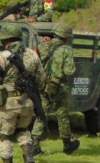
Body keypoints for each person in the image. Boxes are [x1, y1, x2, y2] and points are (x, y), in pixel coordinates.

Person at [0, 23, 46, 163]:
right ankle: (28, 157)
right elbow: (41, 80)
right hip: (27, 102)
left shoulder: (1, 57)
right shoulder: (33, 55)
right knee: (23, 130)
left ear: (4, 40)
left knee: (4, 135)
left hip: (8, 104)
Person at [31, 23, 80, 155]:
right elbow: (69, 71)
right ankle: (67, 144)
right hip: (59, 86)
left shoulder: (41, 46)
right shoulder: (66, 50)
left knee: (42, 113)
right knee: (62, 114)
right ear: (66, 37)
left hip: (43, 86)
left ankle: (34, 145)